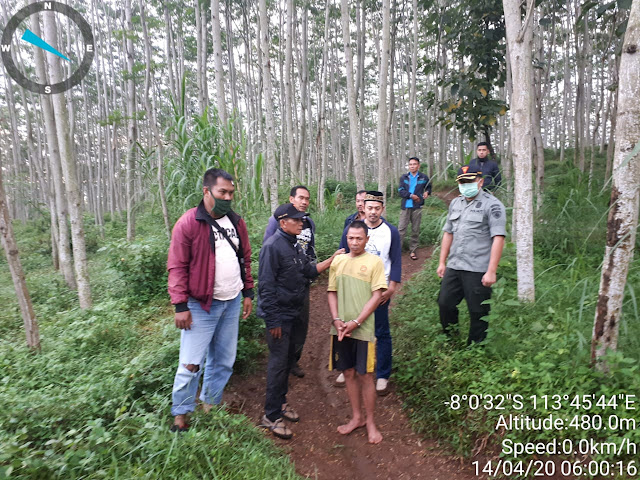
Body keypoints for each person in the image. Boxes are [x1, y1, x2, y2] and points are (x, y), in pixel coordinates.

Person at [167, 168, 254, 432]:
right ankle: (180, 417)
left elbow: (245, 258)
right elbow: (177, 266)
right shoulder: (189, 223)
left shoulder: (237, 223)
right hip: (201, 305)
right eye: (222, 192)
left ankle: (210, 404)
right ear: (206, 192)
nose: (227, 198)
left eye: (230, 193)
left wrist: (247, 292)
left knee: (224, 360)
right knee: (191, 363)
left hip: (231, 301)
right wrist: (180, 305)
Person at [258, 203, 343, 439]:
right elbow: (265, 287)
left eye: (302, 219)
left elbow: (308, 270)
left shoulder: (294, 244)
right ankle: (271, 416)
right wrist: (273, 320)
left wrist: (332, 259)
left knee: (286, 362)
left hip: (293, 313)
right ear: (283, 223)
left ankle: (281, 402)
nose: (301, 223)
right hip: (280, 318)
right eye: (296, 220)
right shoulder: (272, 247)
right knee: (277, 365)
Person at [336, 191, 401, 395]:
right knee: (352, 325)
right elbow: (342, 254)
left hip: (379, 288)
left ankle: (382, 374)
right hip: (354, 285)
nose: (373, 212)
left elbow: (396, 259)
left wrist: (392, 287)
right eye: (369, 208)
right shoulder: (353, 229)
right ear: (363, 207)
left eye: (377, 208)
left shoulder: (390, 231)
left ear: (382, 209)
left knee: (380, 330)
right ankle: (349, 366)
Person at [328, 221, 387, 444]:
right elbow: (331, 292)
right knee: (349, 372)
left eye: (359, 238)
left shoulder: (374, 262)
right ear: (346, 238)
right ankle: (356, 417)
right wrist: (337, 319)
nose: (354, 242)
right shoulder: (338, 261)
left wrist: (357, 321)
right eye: (351, 238)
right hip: (340, 328)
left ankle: (371, 421)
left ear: (367, 240)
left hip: (363, 330)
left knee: (365, 375)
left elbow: (377, 296)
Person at [437, 164, 506, 344]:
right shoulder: (455, 203)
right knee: (445, 303)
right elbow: (448, 232)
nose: (465, 185)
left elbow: (498, 238)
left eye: (470, 181)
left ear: (480, 181)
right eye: (462, 182)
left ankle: (475, 350)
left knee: (478, 311)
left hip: (477, 268)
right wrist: (442, 262)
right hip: (455, 265)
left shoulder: (493, 205)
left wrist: (491, 271)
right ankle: (451, 340)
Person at [263, 186, 315, 378]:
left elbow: (310, 248)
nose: (304, 201)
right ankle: (281, 365)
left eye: (307, 199)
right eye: (300, 198)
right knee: (284, 325)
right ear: (291, 199)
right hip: (284, 283)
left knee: (301, 323)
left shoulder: (308, 223)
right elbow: (269, 251)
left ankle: (293, 361)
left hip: (303, 278)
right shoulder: (276, 221)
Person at [398, 157, 432, 260]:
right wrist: (410, 195)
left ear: (418, 165)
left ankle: (413, 251)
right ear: (408, 166)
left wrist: (427, 192)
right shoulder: (404, 177)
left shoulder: (423, 177)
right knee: (401, 229)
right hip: (406, 206)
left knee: (415, 229)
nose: (412, 166)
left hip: (417, 206)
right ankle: (397, 250)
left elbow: (429, 187)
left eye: (414, 164)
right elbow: (400, 190)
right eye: (410, 164)